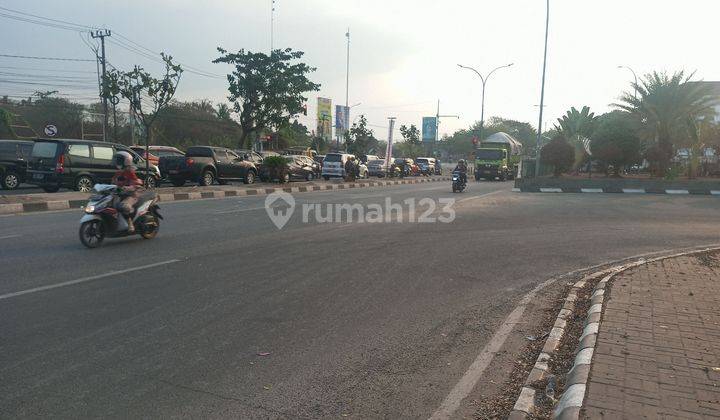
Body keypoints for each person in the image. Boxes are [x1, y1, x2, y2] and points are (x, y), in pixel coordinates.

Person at [112, 151, 143, 233]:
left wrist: (127, 188)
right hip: (120, 195)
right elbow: (113, 183)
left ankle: (130, 223)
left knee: (124, 206)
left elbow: (136, 184)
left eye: (119, 160)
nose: (117, 162)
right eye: (117, 160)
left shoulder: (130, 172)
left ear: (126, 161)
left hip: (132, 195)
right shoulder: (118, 173)